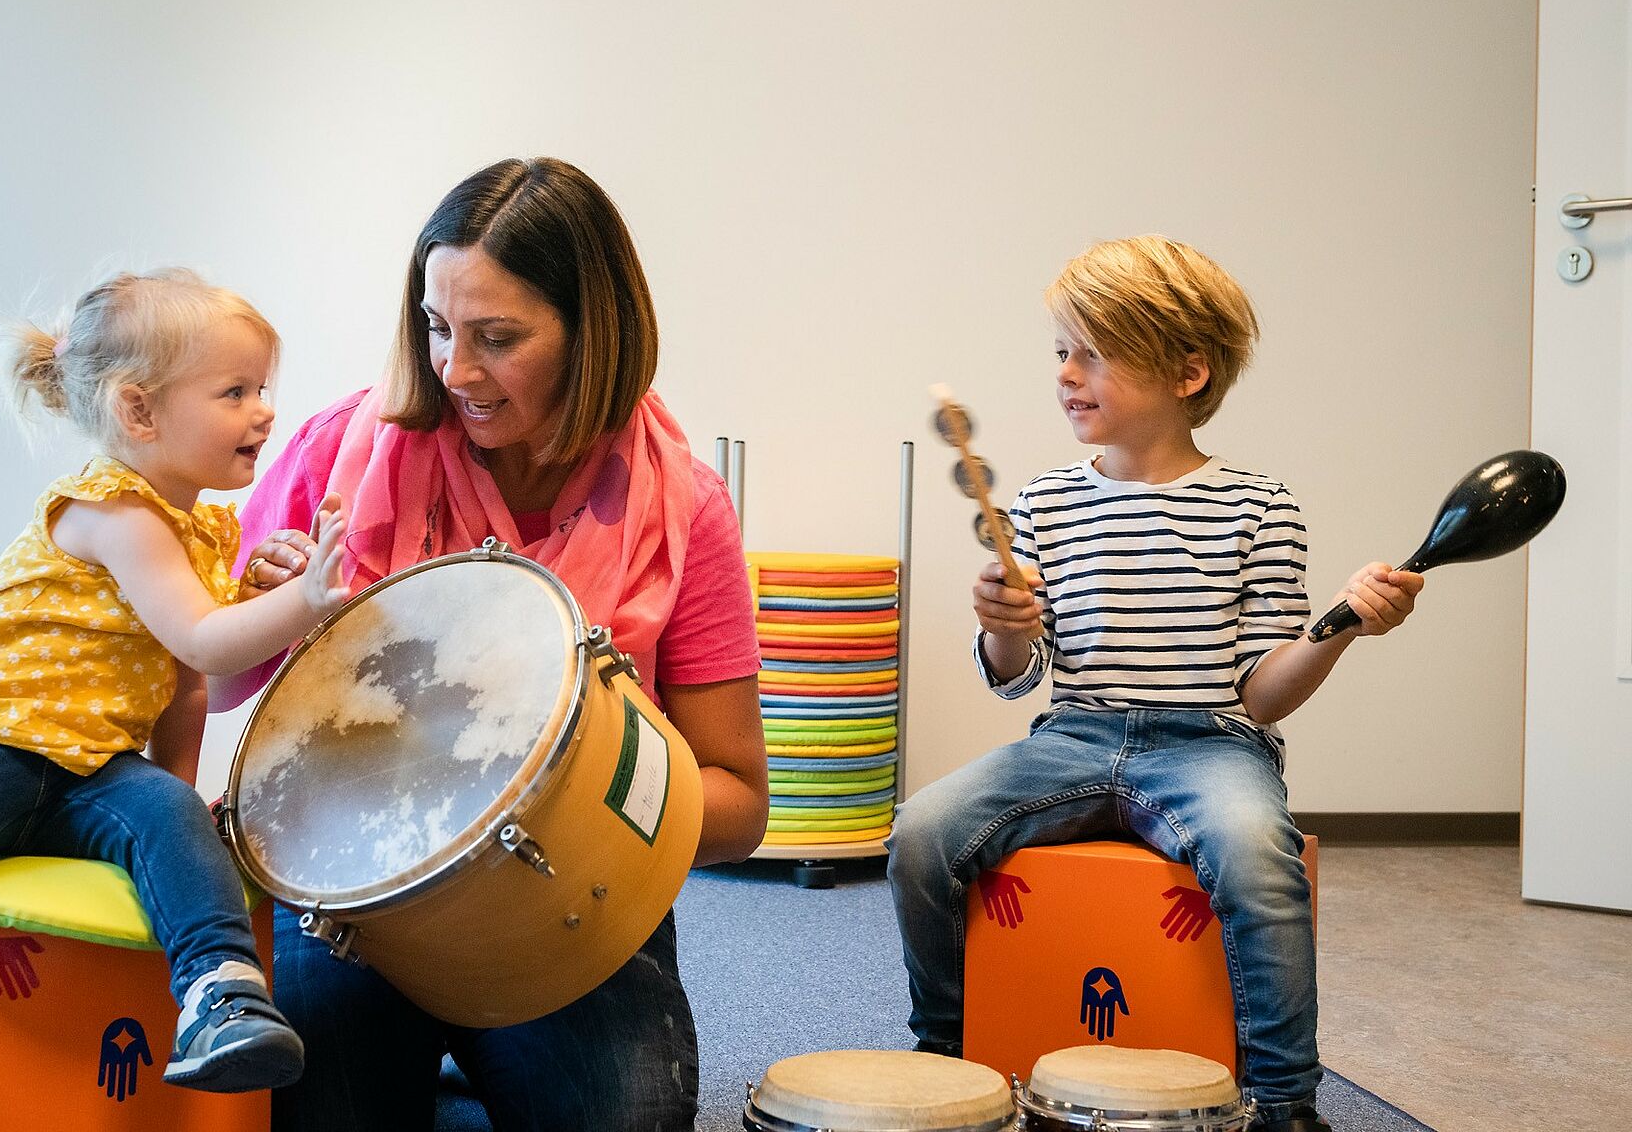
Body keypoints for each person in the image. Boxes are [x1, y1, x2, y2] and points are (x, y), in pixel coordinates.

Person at [214, 156, 768, 1131]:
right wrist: (280, 608)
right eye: (436, 327)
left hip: (569, 911)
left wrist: (592, 781)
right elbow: (215, 682)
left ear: (590, 332)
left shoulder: (685, 507)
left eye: (498, 338)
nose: (455, 369)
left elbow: (739, 801)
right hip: (359, 915)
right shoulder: (340, 452)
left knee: (628, 1118)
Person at [886, 236, 1424, 1132]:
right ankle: (950, 1054)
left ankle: (1288, 1098)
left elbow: (1259, 696)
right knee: (922, 831)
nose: (1067, 373)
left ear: (1187, 373)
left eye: (1095, 351)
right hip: (1076, 735)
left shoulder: (1260, 505)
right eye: (1061, 350)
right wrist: (1000, 628)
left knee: (1261, 857)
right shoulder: (1042, 504)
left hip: (1213, 740)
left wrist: (1340, 629)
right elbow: (1018, 681)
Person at [0, 269, 355, 1131]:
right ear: (140, 413)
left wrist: (172, 792)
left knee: (176, 822)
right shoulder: (115, 512)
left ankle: (222, 995)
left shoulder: (201, 531)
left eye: (263, 389)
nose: (264, 412)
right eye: (235, 392)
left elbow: (184, 682)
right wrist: (307, 599)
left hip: (87, 766)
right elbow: (202, 640)